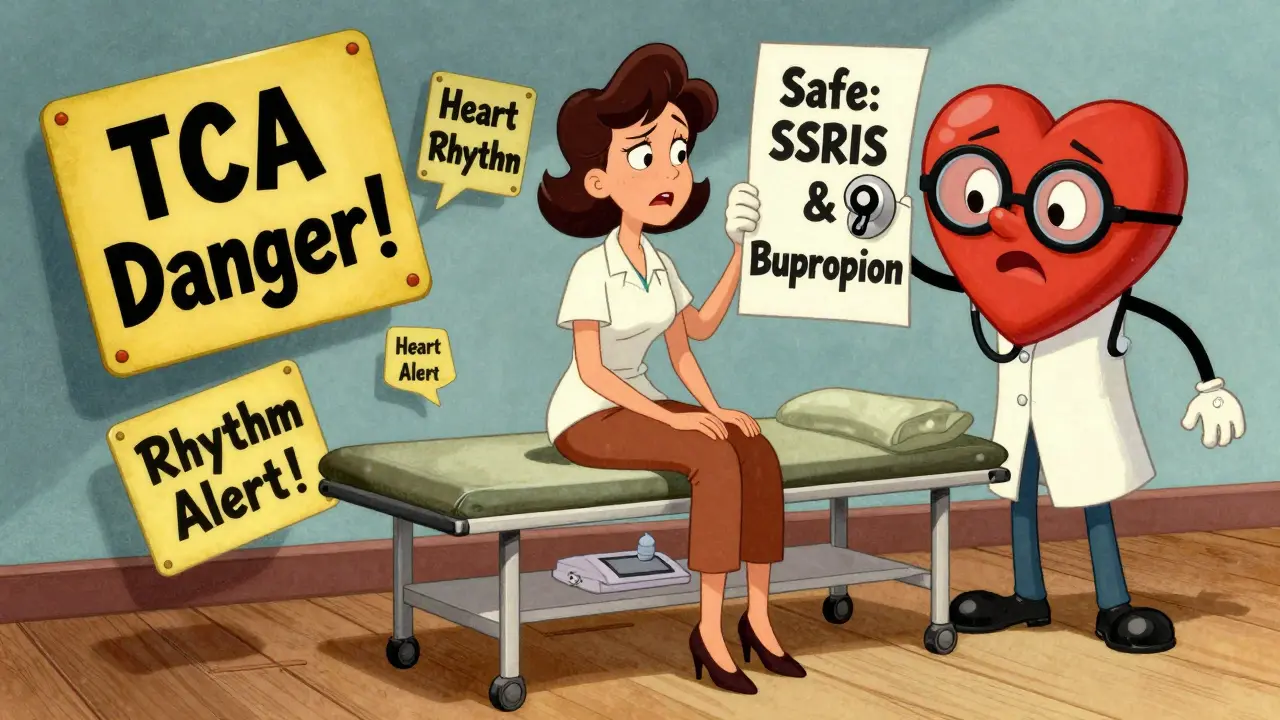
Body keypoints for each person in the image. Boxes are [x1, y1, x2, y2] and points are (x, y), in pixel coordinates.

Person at [910, 84, 1246, 653]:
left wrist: (1209, 386)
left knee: (1092, 494)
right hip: (1021, 407)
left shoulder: (1106, 283)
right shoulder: (991, 276)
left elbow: (1164, 318)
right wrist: (877, 230)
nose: (1002, 219)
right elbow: (940, 274)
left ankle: (1113, 604)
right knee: (1016, 489)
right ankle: (1028, 596)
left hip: (1082, 406)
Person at [538, 43, 804, 695]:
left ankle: (760, 619)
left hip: (640, 401)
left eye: (679, 153)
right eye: (644, 153)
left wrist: (741, 251)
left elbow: (692, 338)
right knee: (710, 458)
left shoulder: (658, 263)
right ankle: (709, 630)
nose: (669, 170)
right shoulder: (591, 269)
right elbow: (596, 373)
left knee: (751, 444)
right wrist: (673, 420)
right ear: (598, 180)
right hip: (586, 415)